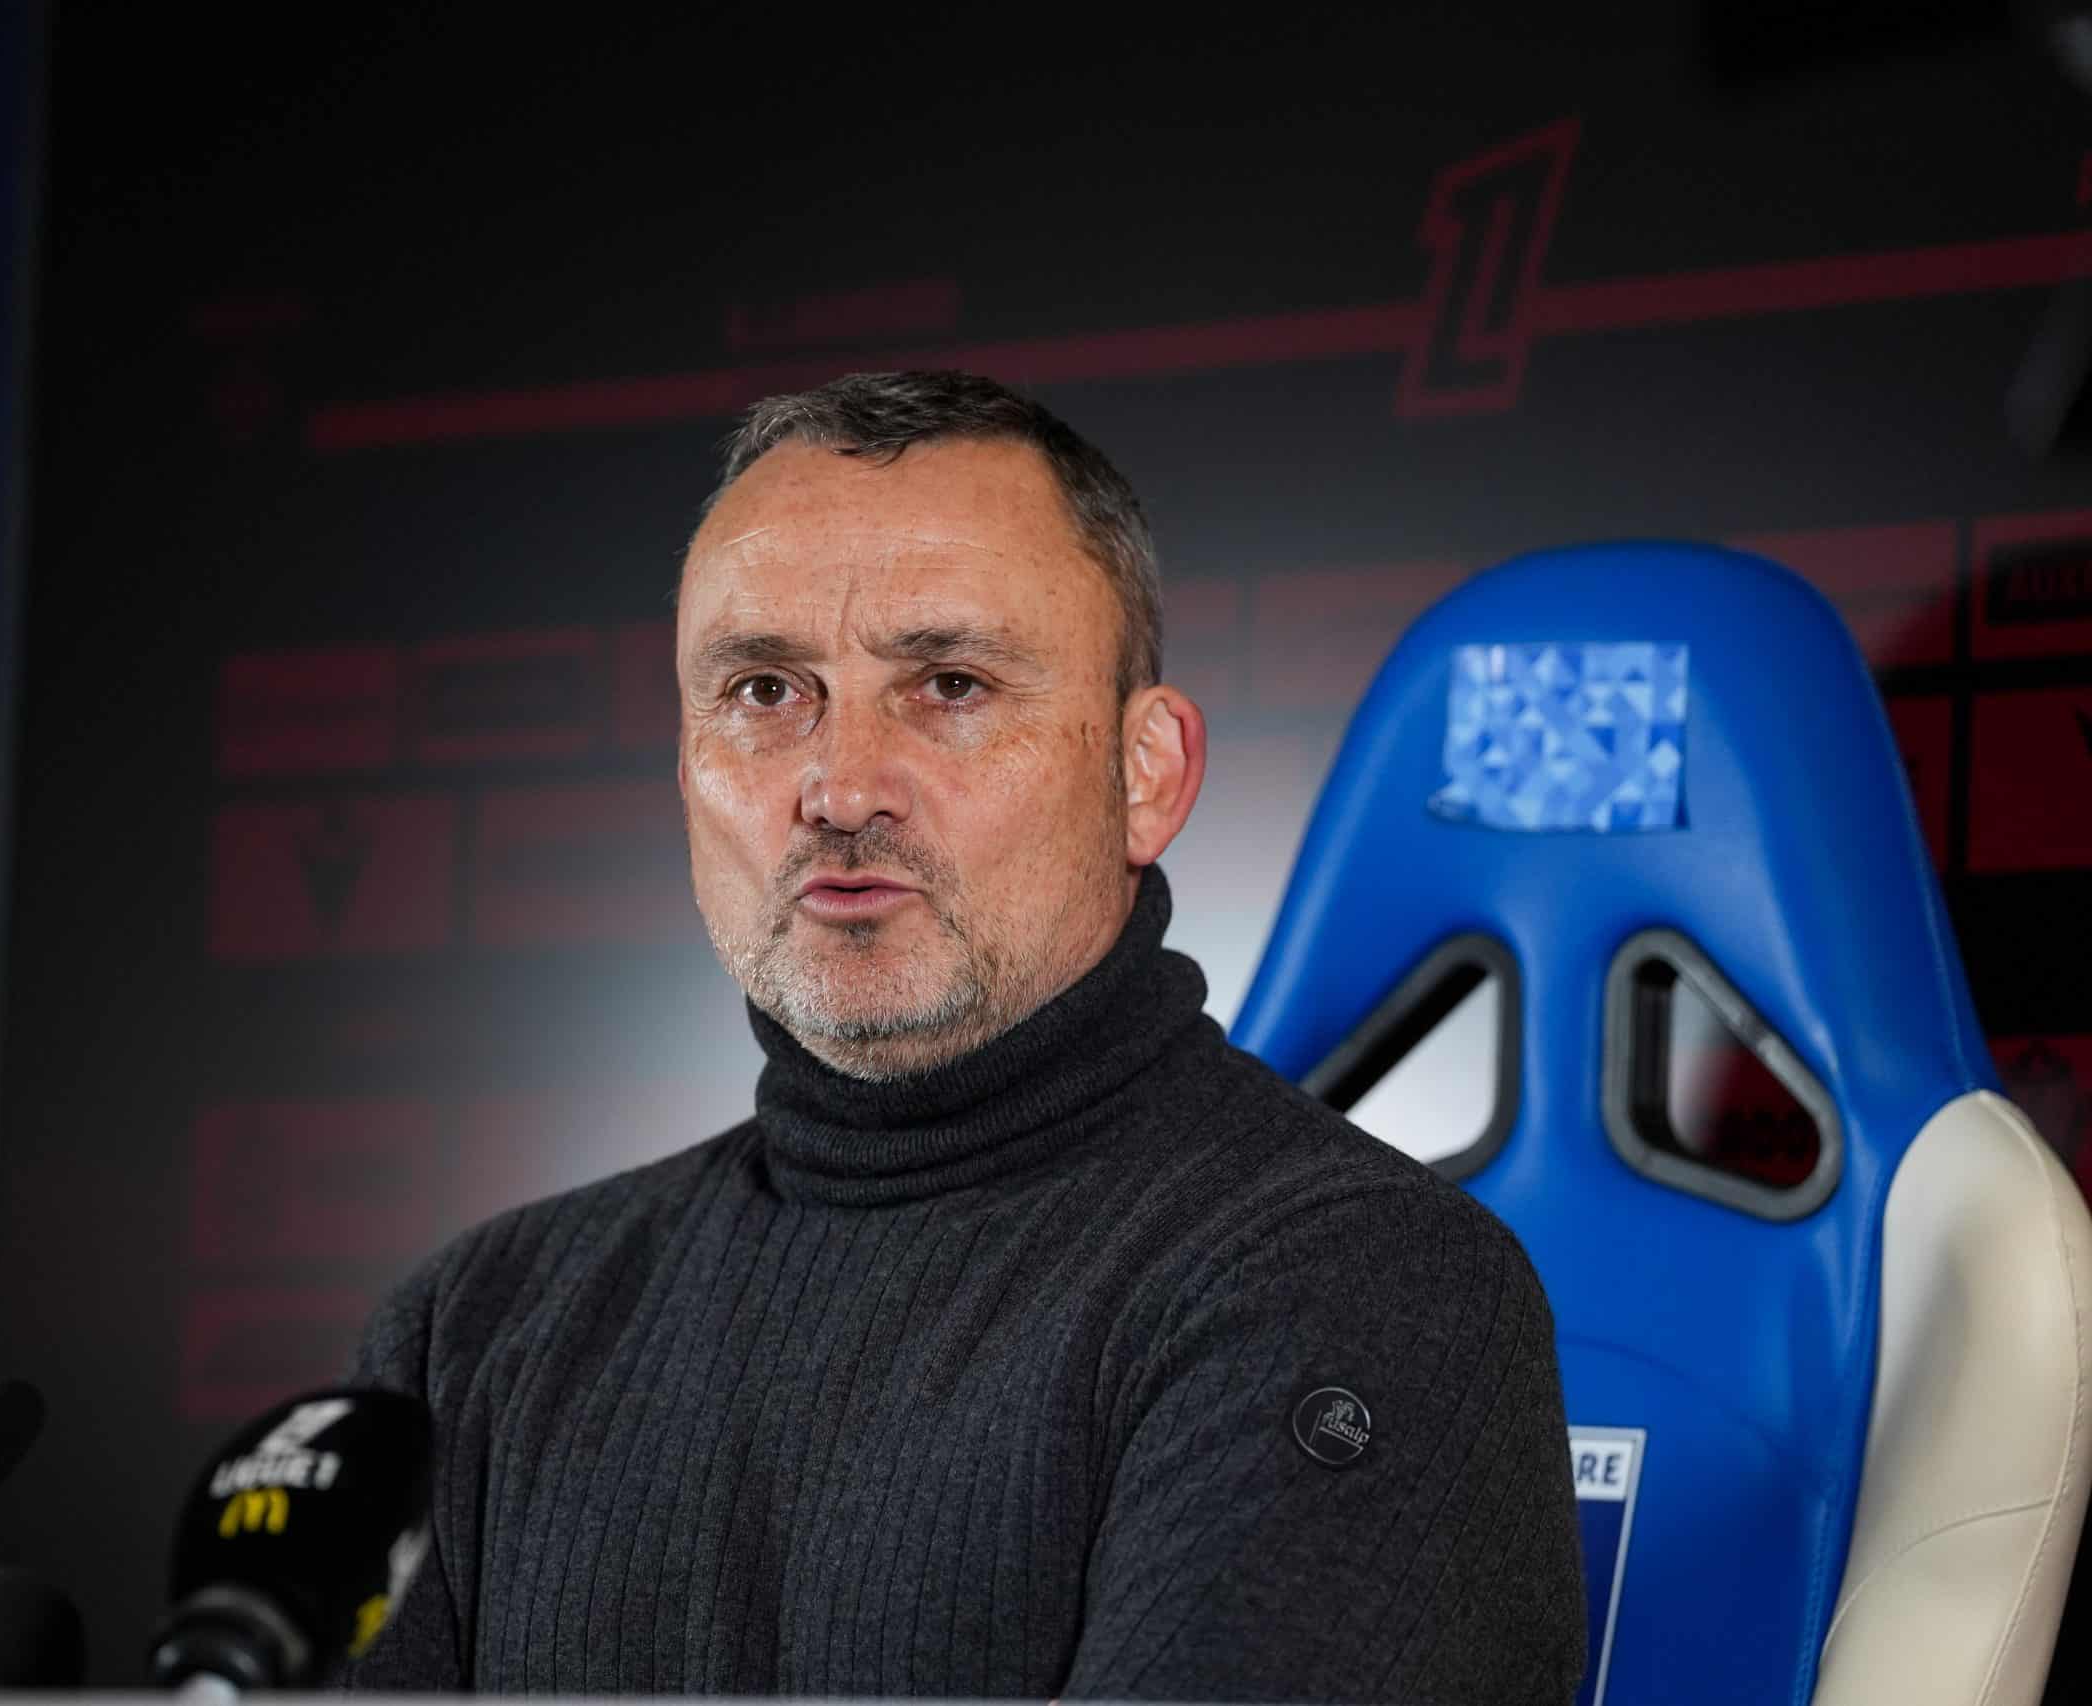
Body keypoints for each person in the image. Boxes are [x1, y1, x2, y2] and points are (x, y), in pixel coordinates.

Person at [342, 370, 1584, 1701]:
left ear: (1145, 774)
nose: (840, 786)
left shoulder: (1360, 1290)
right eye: (765, 689)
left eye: (949, 681)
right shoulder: (470, 1331)